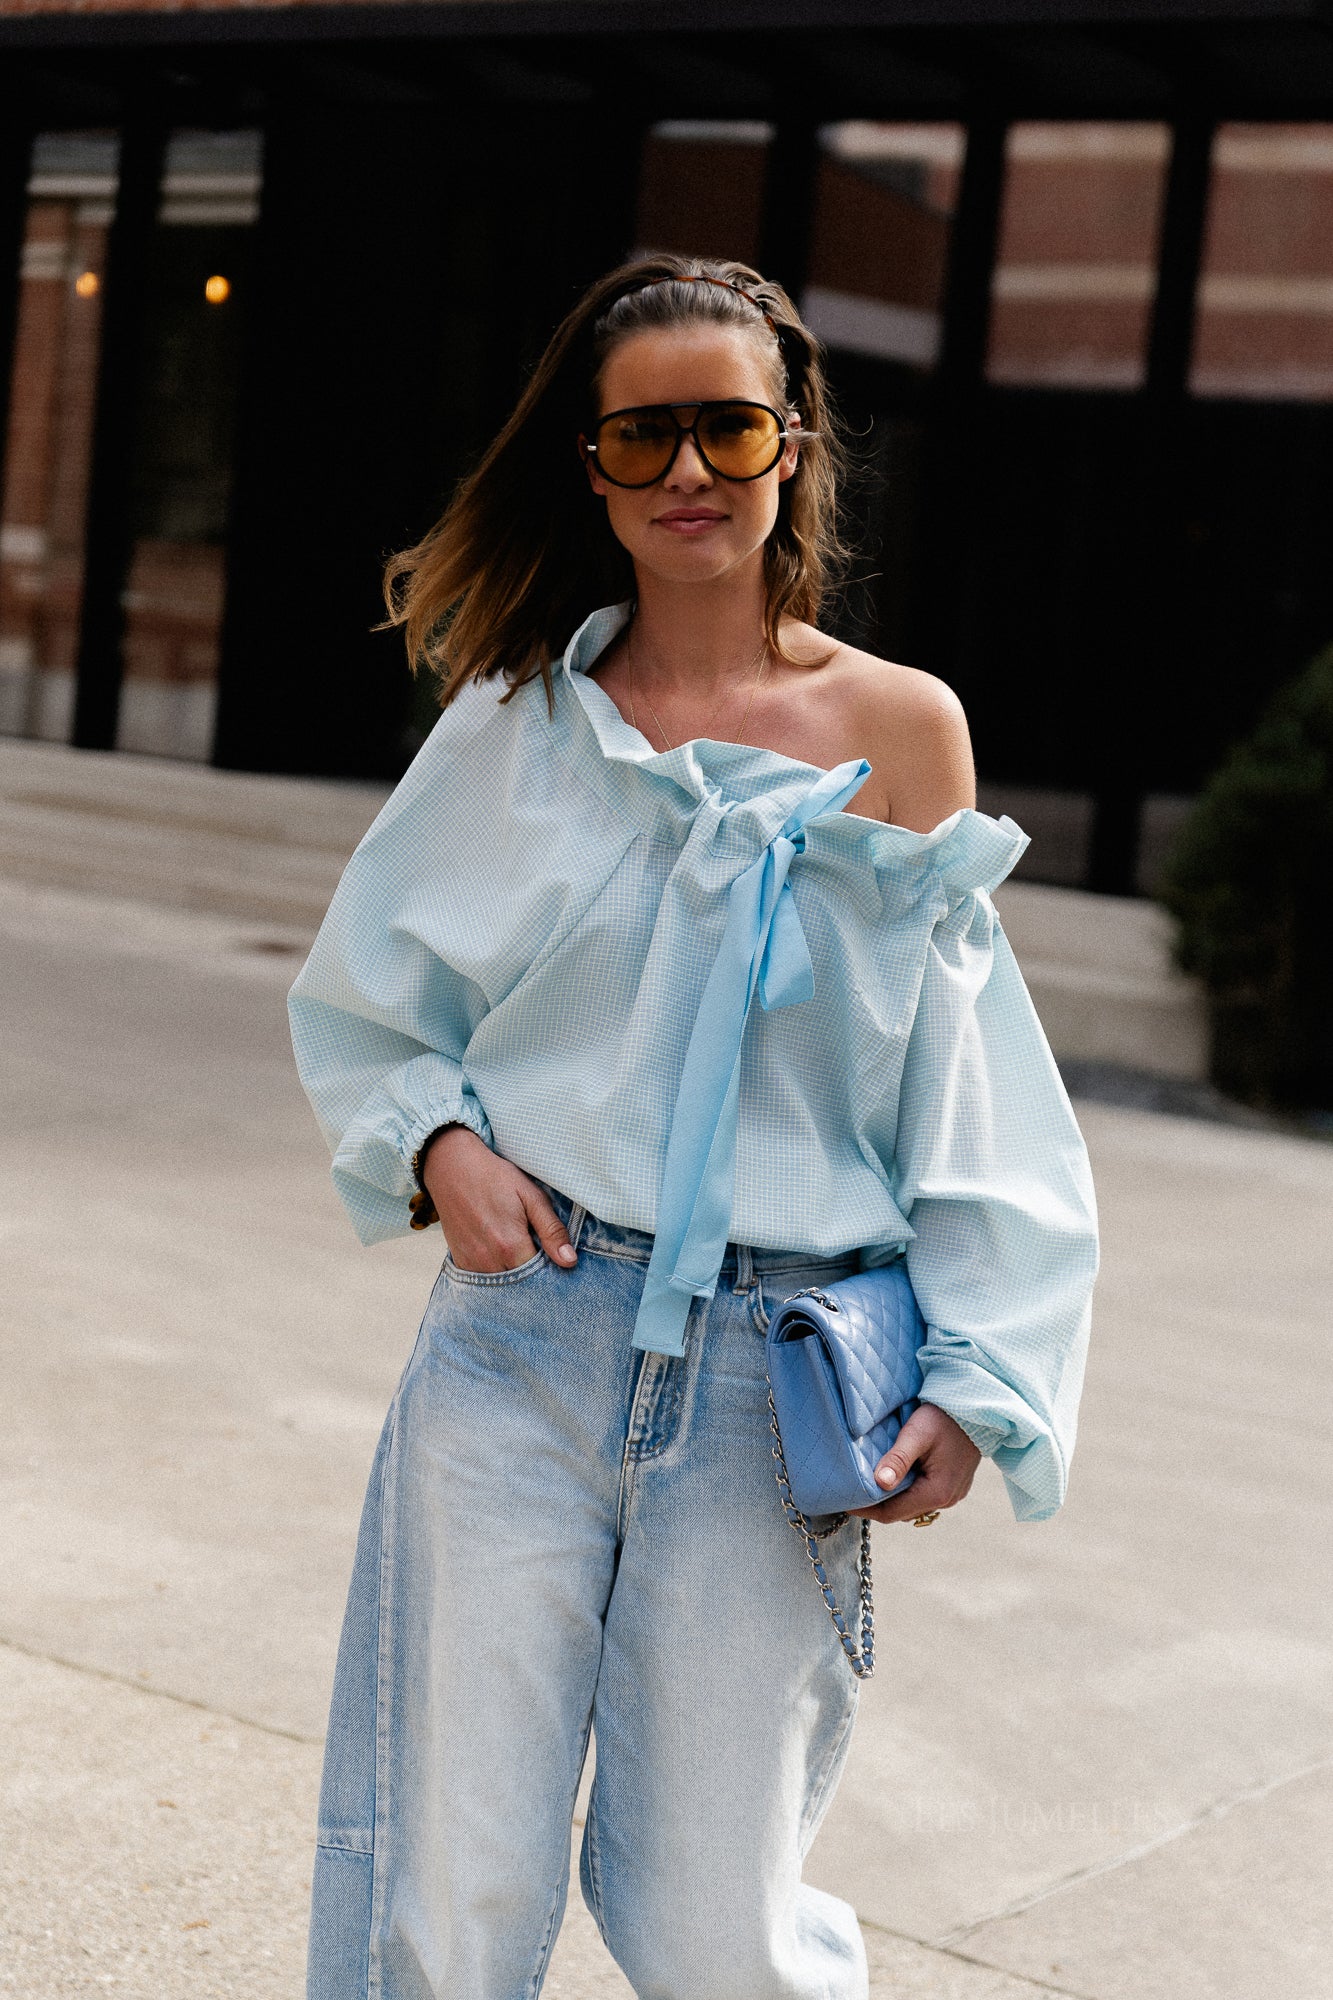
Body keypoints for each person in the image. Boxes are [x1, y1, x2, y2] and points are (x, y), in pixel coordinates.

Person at [288, 253, 1099, 2000]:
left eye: (726, 430)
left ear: (790, 444)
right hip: (522, 1342)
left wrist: (985, 1368)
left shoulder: (902, 732)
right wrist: (437, 1148)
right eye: (640, 436)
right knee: (450, 1873)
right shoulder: (515, 722)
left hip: (770, 1375)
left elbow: (964, 1080)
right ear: (587, 468)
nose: (685, 473)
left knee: (716, 1915)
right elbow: (369, 994)